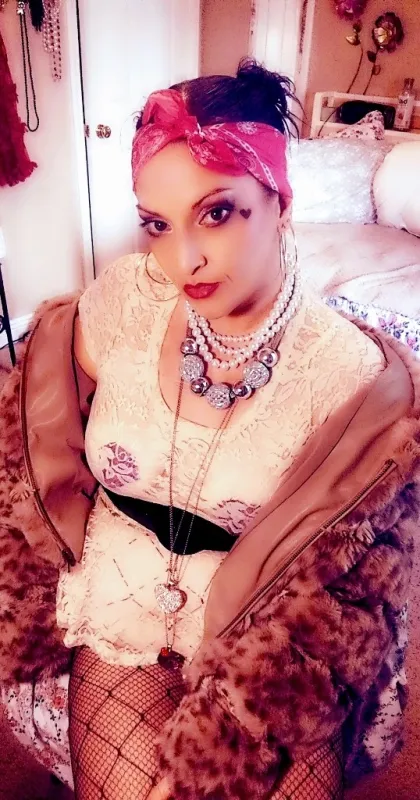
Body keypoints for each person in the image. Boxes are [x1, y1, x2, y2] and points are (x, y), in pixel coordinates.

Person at [0, 60, 418, 800]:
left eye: (218, 213)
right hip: (121, 596)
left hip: (265, 631)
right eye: (157, 224)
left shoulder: (349, 374)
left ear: (280, 201)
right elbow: (42, 419)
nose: (182, 259)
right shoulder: (126, 300)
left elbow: (347, 578)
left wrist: (260, 693)